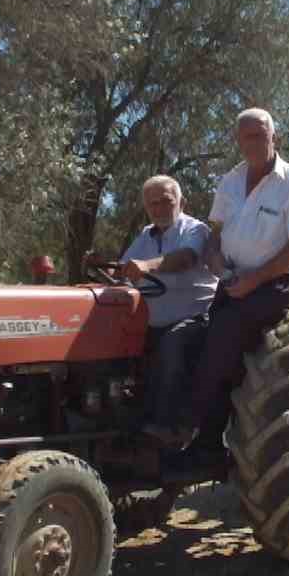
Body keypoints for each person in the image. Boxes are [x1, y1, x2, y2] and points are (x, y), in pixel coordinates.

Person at [148, 108, 289, 451]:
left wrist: (254, 279)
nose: (252, 142)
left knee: (222, 334)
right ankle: (161, 417)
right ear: (238, 141)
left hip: (276, 283)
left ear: (274, 138)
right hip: (233, 280)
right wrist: (214, 259)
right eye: (246, 136)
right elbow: (216, 234)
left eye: (259, 135)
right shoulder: (230, 182)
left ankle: (189, 428)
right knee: (186, 335)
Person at [108, 176, 218, 435]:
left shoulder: (195, 229)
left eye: (165, 201)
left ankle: (169, 426)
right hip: (151, 320)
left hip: (195, 317)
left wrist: (147, 266)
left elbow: (186, 258)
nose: (158, 209)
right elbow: (124, 270)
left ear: (182, 202)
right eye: (152, 204)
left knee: (171, 343)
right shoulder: (146, 235)